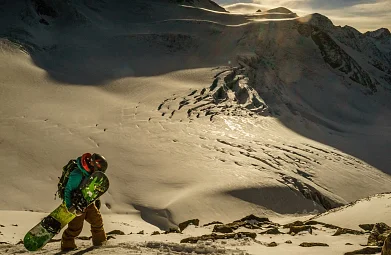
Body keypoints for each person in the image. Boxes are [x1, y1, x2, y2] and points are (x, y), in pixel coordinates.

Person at [61, 152, 108, 251]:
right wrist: (69, 206)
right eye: (99, 166)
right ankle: (67, 245)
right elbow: (68, 190)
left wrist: (96, 201)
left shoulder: (91, 174)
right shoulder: (77, 174)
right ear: (94, 164)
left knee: (97, 221)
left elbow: (91, 189)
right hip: (76, 205)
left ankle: (101, 244)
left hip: (87, 203)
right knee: (75, 229)